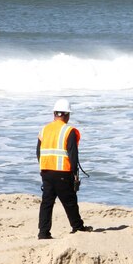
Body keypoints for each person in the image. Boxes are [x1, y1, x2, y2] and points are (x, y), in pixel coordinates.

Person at [36, 98, 92, 239]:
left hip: (46, 171)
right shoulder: (69, 131)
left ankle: (43, 233)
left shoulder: (44, 129)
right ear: (67, 115)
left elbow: (38, 151)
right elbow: (73, 154)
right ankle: (77, 227)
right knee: (70, 201)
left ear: (54, 113)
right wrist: (75, 173)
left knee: (47, 203)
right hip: (63, 172)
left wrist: (43, 167)